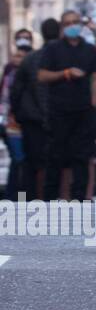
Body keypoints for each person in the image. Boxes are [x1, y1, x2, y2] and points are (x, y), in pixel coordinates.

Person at [36, 11, 96, 199]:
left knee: (81, 160)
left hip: (83, 113)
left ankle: (79, 201)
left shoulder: (89, 49)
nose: (72, 26)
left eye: (75, 22)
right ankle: (50, 202)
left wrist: (93, 102)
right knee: (55, 159)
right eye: (68, 23)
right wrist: (65, 73)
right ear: (62, 26)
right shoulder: (53, 49)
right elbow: (42, 75)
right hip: (59, 112)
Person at [9, 19, 59, 198]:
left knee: (30, 164)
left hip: (32, 119)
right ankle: (48, 199)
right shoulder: (61, 57)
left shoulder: (31, 58)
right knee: (52, 163)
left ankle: (29, 200)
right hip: (53, 119)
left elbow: (16, 90)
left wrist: (18, 113)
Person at [0, 29, 33, 199]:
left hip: (27, 122)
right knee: (18, 159)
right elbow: (4, 97)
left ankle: (21, 196)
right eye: (16, 56)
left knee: (24, 160)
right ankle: (14, 196)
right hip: (12, 124)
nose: (18, 59)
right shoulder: (9, 71)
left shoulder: (34, 70)